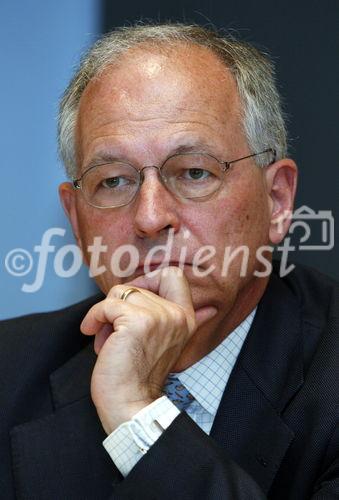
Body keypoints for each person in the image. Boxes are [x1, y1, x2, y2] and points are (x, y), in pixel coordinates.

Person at [0, 23, 338, 499]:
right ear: (76, 220)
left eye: (195, 172)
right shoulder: (8, 370)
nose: (150, 217)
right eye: (114, 181)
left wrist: (138, 415)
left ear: (277, 201)